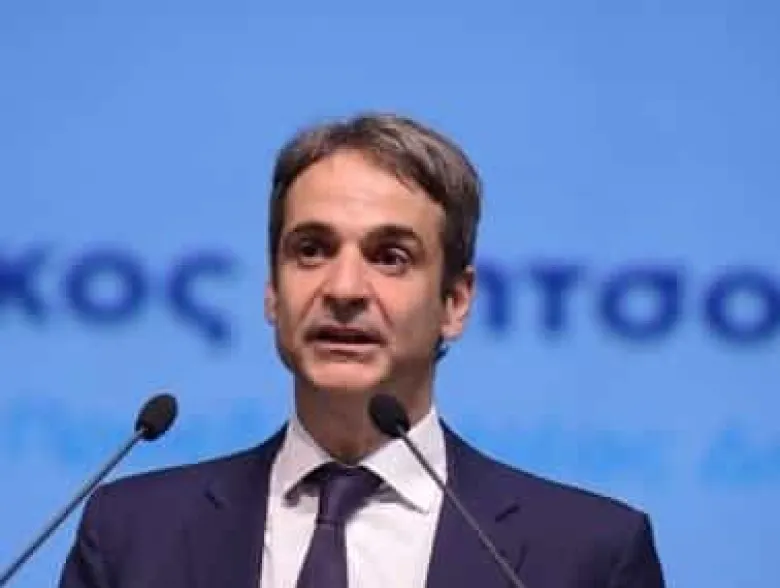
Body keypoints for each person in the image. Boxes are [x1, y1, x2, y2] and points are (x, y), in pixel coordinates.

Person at [59, 112, 666, 587]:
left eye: (390, 257)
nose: (344, 289)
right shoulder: (131, 535)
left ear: (455, 302)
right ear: (272, 292)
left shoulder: (588, 555)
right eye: (311, 250)